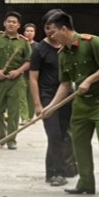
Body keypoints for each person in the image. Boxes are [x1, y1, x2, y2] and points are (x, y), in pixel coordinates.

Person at [44, 10, 99, 197]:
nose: (50, 36)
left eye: (52, 31)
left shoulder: (92, 42)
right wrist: (51, 107)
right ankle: (85, 183)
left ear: (64, 29)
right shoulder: (63, 54)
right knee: (79, 143)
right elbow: (65, 84)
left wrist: (89, 80)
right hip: (82, 103)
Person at [29, 12, 75, 186]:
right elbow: (33, 79)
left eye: (52, 28)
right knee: (54, 134)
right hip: (47, 96)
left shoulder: (67, 47)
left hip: (66, 97)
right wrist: (38, 104)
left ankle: (51, 172)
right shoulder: (39, 50)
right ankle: (58, 173)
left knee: (62, 135)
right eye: (46, 28)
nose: (49, 32)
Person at [0, 11, 31, 148]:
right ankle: (2, 133)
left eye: (14, 22)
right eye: (9, 21)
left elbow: (29, 61)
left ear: (18, 25)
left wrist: (18, 71)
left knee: (14, 111)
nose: (11, 24)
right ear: (4, 23)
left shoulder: (23, 42)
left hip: (16, 81)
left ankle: (11, 140)